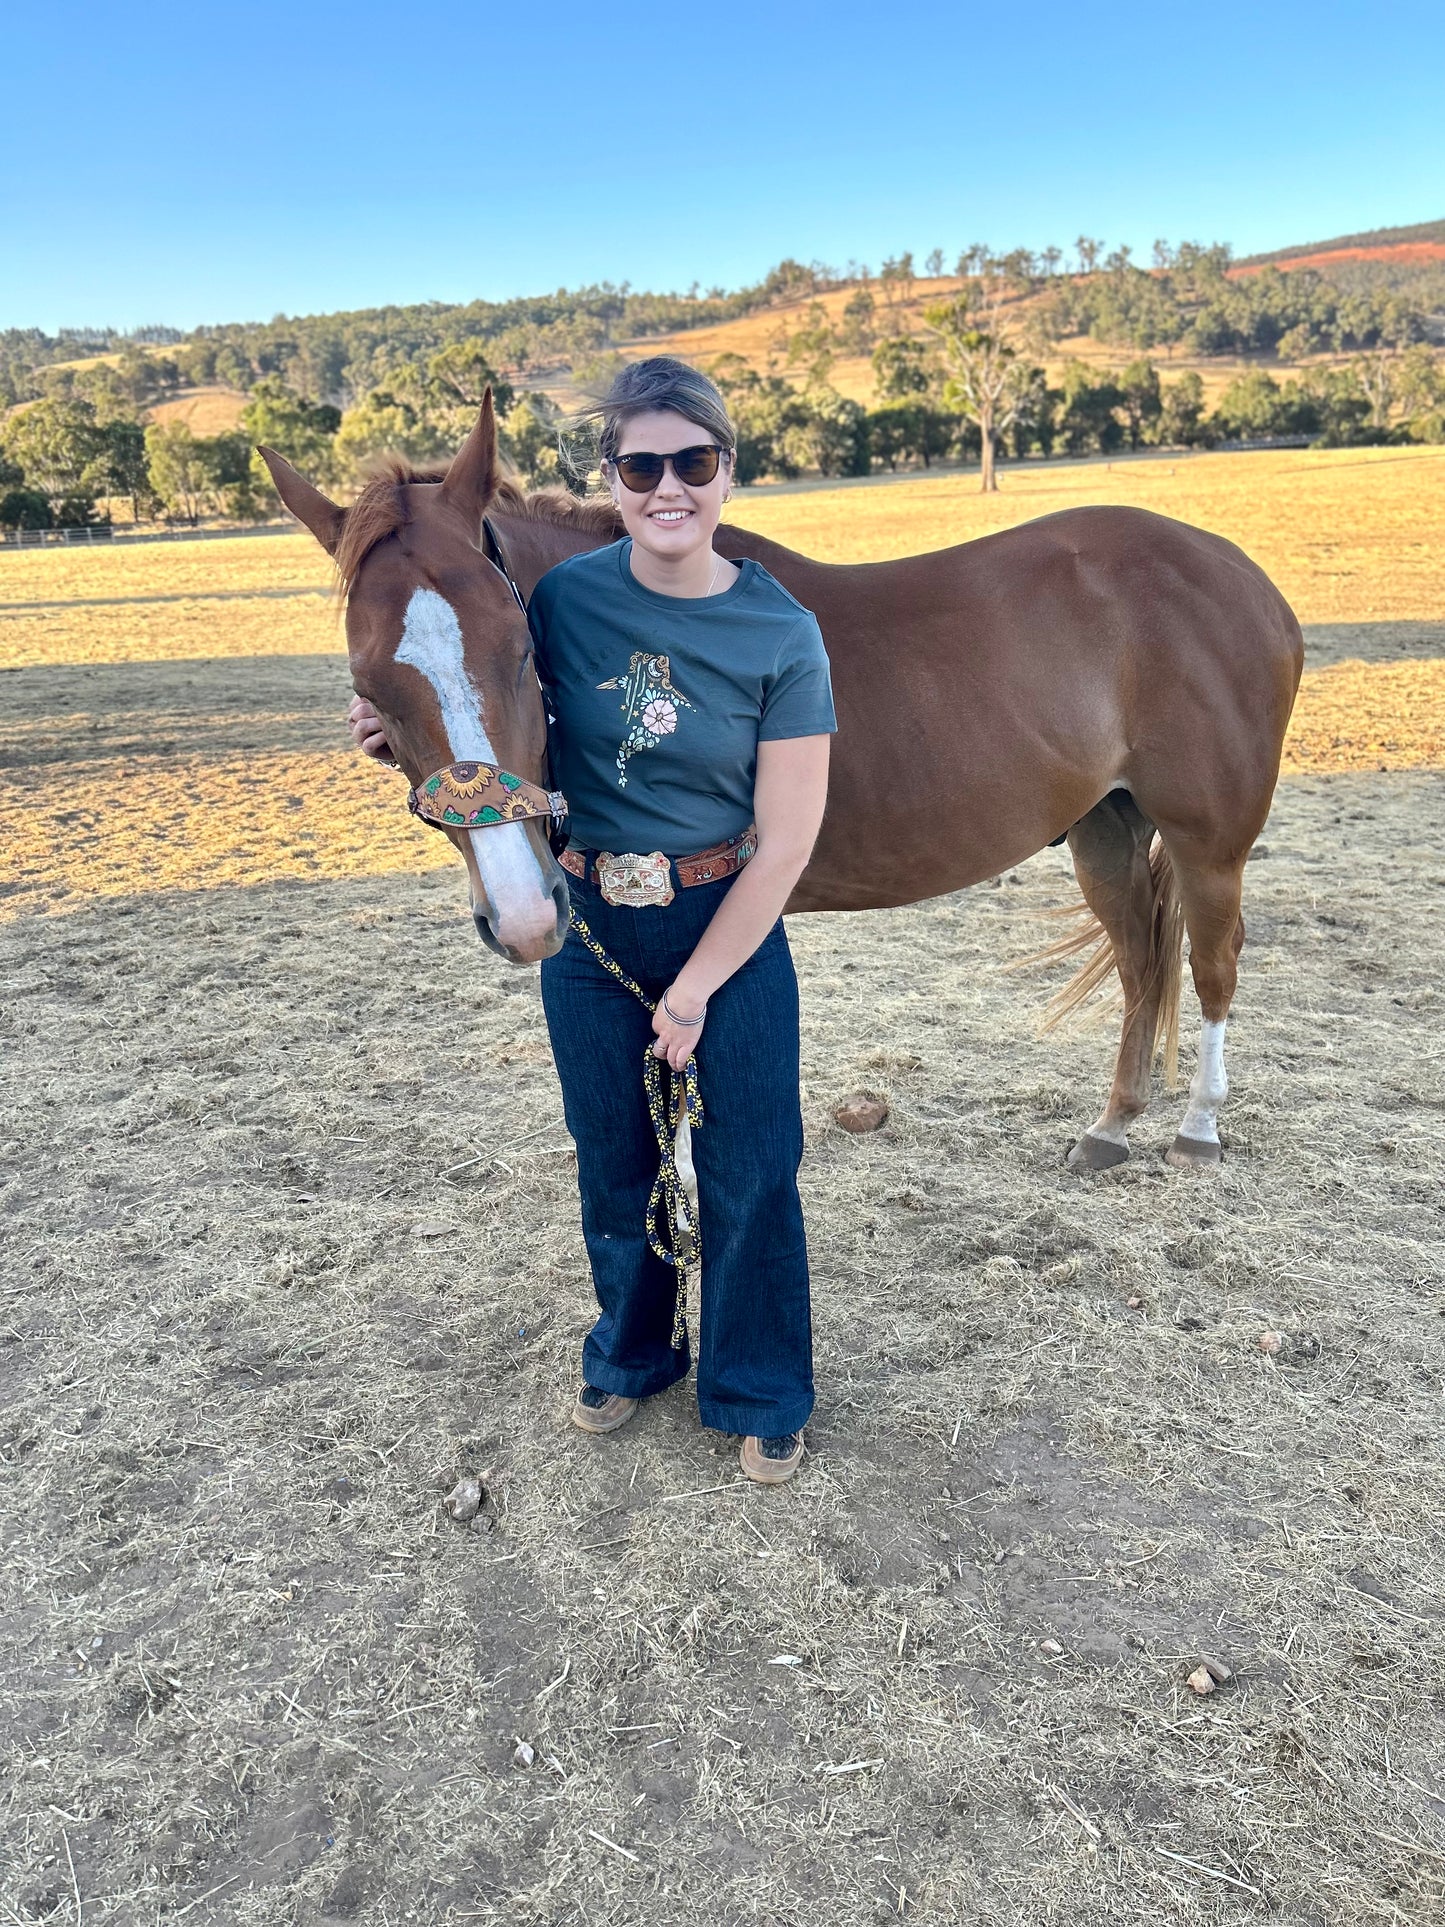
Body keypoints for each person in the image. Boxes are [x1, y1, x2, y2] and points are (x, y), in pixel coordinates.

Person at [349, 357, 834, 1484]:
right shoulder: (560, 600)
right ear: (610, 479)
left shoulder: (782, 632)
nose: (667, 487)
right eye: (639, 465)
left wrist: (700, 985)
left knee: (751, 1161)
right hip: (591, 923)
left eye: (692, 463)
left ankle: (759, 1386)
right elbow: (480, 696)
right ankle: (630, 1354)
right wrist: (396, 733)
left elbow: (792, 835)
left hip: (728, 917)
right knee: (611, 1159)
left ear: (725, 472)